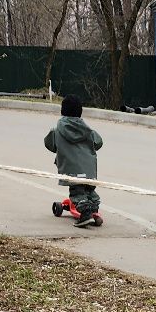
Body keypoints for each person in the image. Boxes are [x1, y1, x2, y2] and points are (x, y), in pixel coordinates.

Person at [44, 95, 103, 228]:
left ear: (62, 111)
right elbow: (98, 142)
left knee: (77, 192)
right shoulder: (88, 130)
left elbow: (50, 144)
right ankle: (94, 208)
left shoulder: (57, 130)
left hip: (72, 169)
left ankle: (85, 214)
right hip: (89, 169)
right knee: (89, 190)